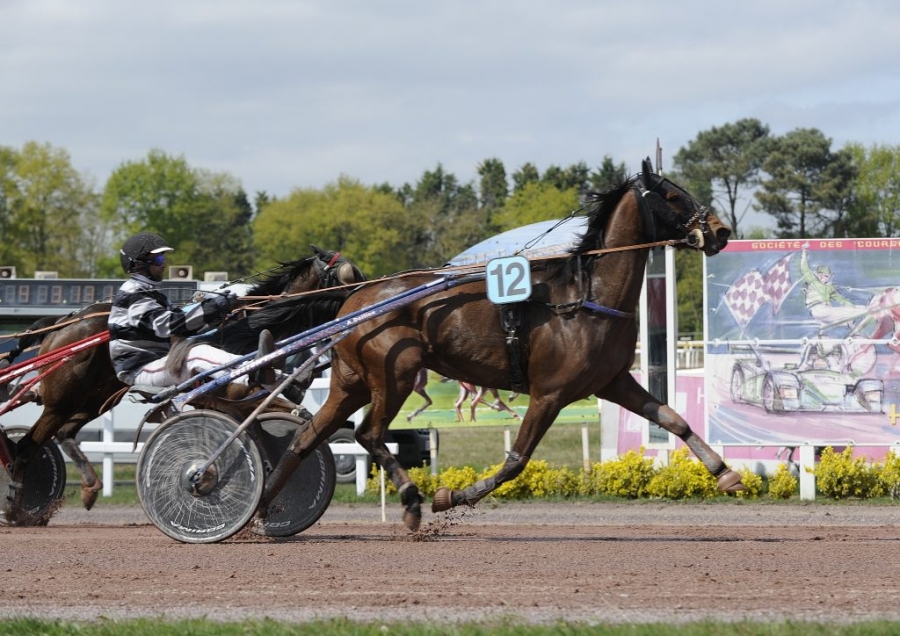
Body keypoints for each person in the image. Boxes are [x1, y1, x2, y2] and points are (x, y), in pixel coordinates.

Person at [108, 231, 304, 403]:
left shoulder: (152, 293)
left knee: (205, 346)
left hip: (159, 362)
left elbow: (184, 327)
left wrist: (219, 313)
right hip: (140, 370)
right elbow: (167, 326)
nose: (164, 265)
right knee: (196, 354)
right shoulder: (133, 293)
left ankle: (285, 381)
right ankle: (257, 373)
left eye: (163, 259)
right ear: (139, 264)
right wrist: (210, 308)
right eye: (159, 260)